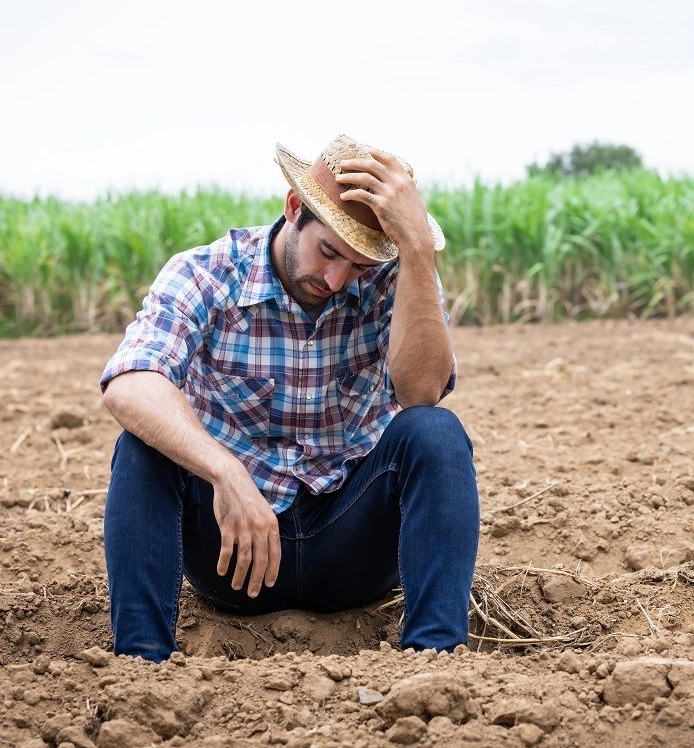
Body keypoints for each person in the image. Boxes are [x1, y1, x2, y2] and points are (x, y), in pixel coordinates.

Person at [98, 134, 479, 662]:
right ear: (294, 208)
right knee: (142, 445)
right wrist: (225, 472)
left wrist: (417, 250)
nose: (336, 278)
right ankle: (141, 665)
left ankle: (436, 659)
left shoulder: (401, 278)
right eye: (328, 251)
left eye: (360, 266)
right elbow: (130, 380)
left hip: (351, 547)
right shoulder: (208, 273)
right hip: (234, 553)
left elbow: (422, 392)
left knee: (435, 432)